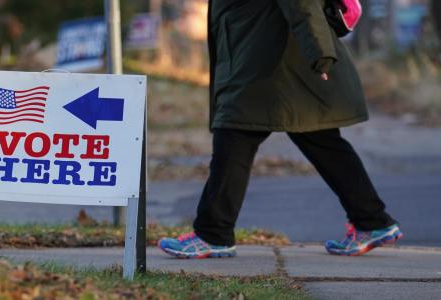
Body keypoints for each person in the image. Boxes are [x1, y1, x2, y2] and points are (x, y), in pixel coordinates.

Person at [158, 0, 402, 258]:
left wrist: (320, 53)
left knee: (235, 134)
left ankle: (212, 234)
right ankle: (372, 220)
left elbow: (301, 3)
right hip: (269, 59)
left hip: (267, 66)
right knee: (321, 141)